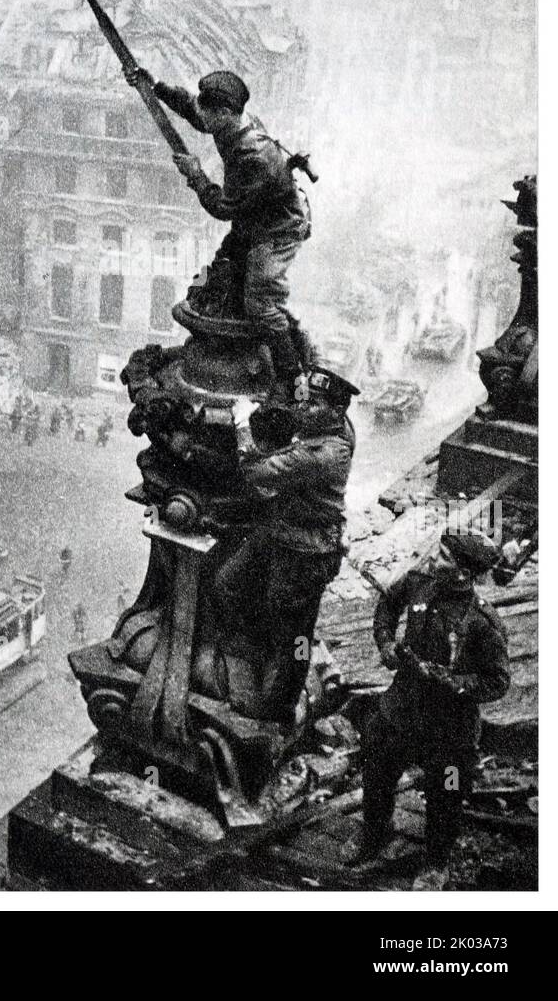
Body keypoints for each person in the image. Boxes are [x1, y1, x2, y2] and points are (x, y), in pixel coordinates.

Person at [346, 526, 510, 890]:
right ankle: (374, 838)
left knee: (447, 794)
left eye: (444, 558)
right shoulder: (419, 582)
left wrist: (454, 683)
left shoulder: (483, 623)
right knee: (376, 773)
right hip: (400, 711)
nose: (434, 559)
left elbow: (498, 681)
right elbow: (388, 605)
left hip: (449, 730)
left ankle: (436, 864)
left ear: (464, 573)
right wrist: (387, 644)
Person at [126, 66, 315, 381]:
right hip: (253, 216)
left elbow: (222, 208)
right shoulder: (232, 123)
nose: (204, 119)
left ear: (226, 112)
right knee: (215, 272)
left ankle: (293, 378)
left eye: (210, 112)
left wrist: (196, 175)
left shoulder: (253, 156)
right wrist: (156, 86)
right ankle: (196, 299)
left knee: (261, 305)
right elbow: (195, 111)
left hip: (278, 229)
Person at [214, 365, 357, 723]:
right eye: (306, 400)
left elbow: (254, 472)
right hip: (281, 530)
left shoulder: (324, 453)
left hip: (305, 551)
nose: (304, 409)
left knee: (293, 635)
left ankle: (277, 712)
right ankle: (253, 663)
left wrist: (243, 424)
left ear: (337, 412)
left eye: (314, 405)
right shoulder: (332, 427)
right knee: (227, 584)